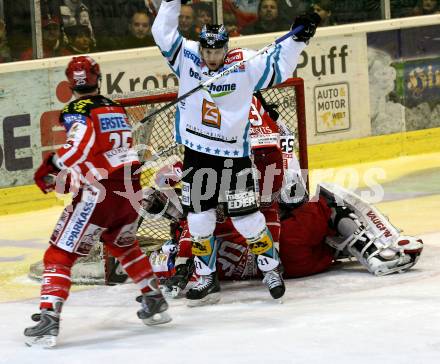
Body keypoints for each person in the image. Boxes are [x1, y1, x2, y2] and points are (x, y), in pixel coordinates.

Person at [151, 3, 320, 306]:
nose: (211, 58)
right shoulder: (187, 56)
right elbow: (161, 32)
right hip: (197, 155)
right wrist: (172, 2)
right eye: (207, 51)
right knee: (200, 220)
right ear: (200, 47)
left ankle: (271, 269)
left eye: (217, 52)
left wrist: (298, 39)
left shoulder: (245, 63)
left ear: (226, 49)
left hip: (233, 157)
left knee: (247, 219)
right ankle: (205, 276)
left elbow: (280, 67)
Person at [24, 56, 171, 348]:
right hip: (129, 189)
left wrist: (51, 165)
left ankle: (48, 317)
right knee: (123, 243)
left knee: (59, 254)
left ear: (69, 84)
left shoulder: (77, 110)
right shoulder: (114, 107)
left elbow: (78, 146)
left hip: (98, 193)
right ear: (97, 77)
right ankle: (154, 299)